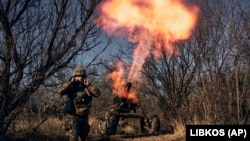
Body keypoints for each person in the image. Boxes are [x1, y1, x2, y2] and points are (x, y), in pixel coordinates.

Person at [57, 67, 101, 141]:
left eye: (82, 76)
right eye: (78, 76)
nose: (80, 78)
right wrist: (70, 82)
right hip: (73, 116)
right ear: (74, 77)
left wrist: (89, 85)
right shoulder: (70, 86)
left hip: (84, 116)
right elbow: (60, 91)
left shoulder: (87, 87)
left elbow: (97, 93)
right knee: (74, 137)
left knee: (84, 137)